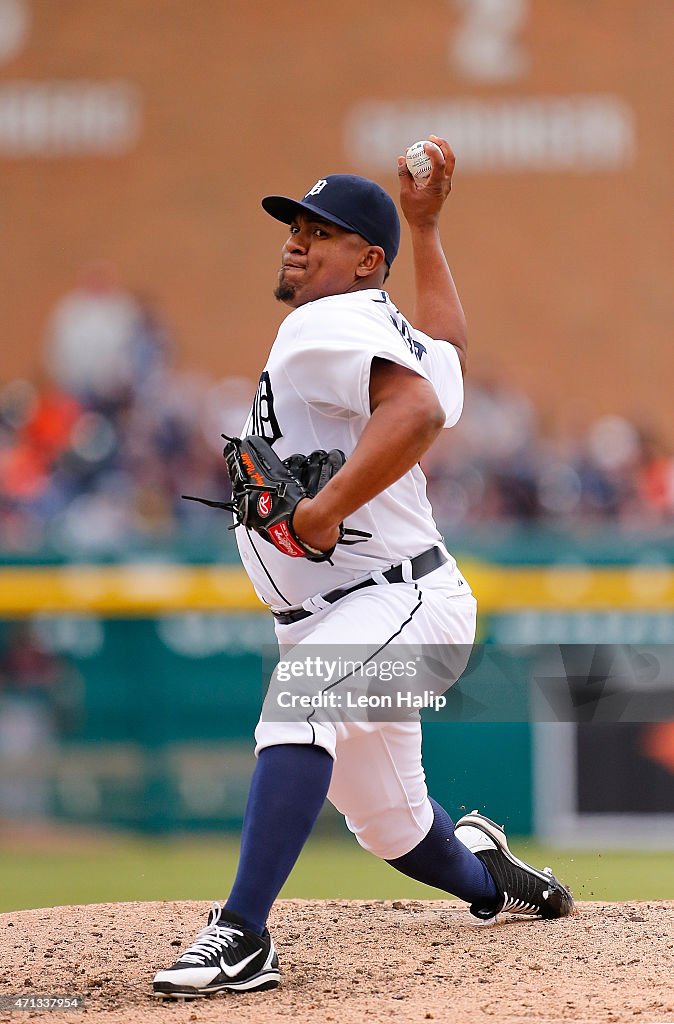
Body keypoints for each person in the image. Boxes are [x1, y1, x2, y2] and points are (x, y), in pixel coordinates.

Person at [153, 137, 573, 1000]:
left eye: (323, 230)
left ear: (363, 262)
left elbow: (417, 408)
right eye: (296, 224)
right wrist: (427, 228)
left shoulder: (320, 324)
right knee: (393, 827)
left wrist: (322, 507)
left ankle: (241, 934)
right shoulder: (381, 325)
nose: (298, 239)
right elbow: (444, 363)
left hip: (400, 598)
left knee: (299, 700)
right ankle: (494, 878)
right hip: (373, 611)